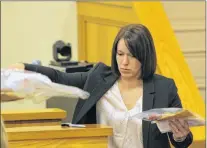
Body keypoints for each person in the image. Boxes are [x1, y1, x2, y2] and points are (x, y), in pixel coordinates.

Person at [9, 24, 193, 148]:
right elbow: (61, 77)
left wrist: (180, 136)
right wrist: (26, 67)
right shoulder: (98, 77)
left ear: (145, 56)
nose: (124, 62)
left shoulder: (164, 87)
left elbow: (182, 141)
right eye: (120, 54)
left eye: (132, 55)